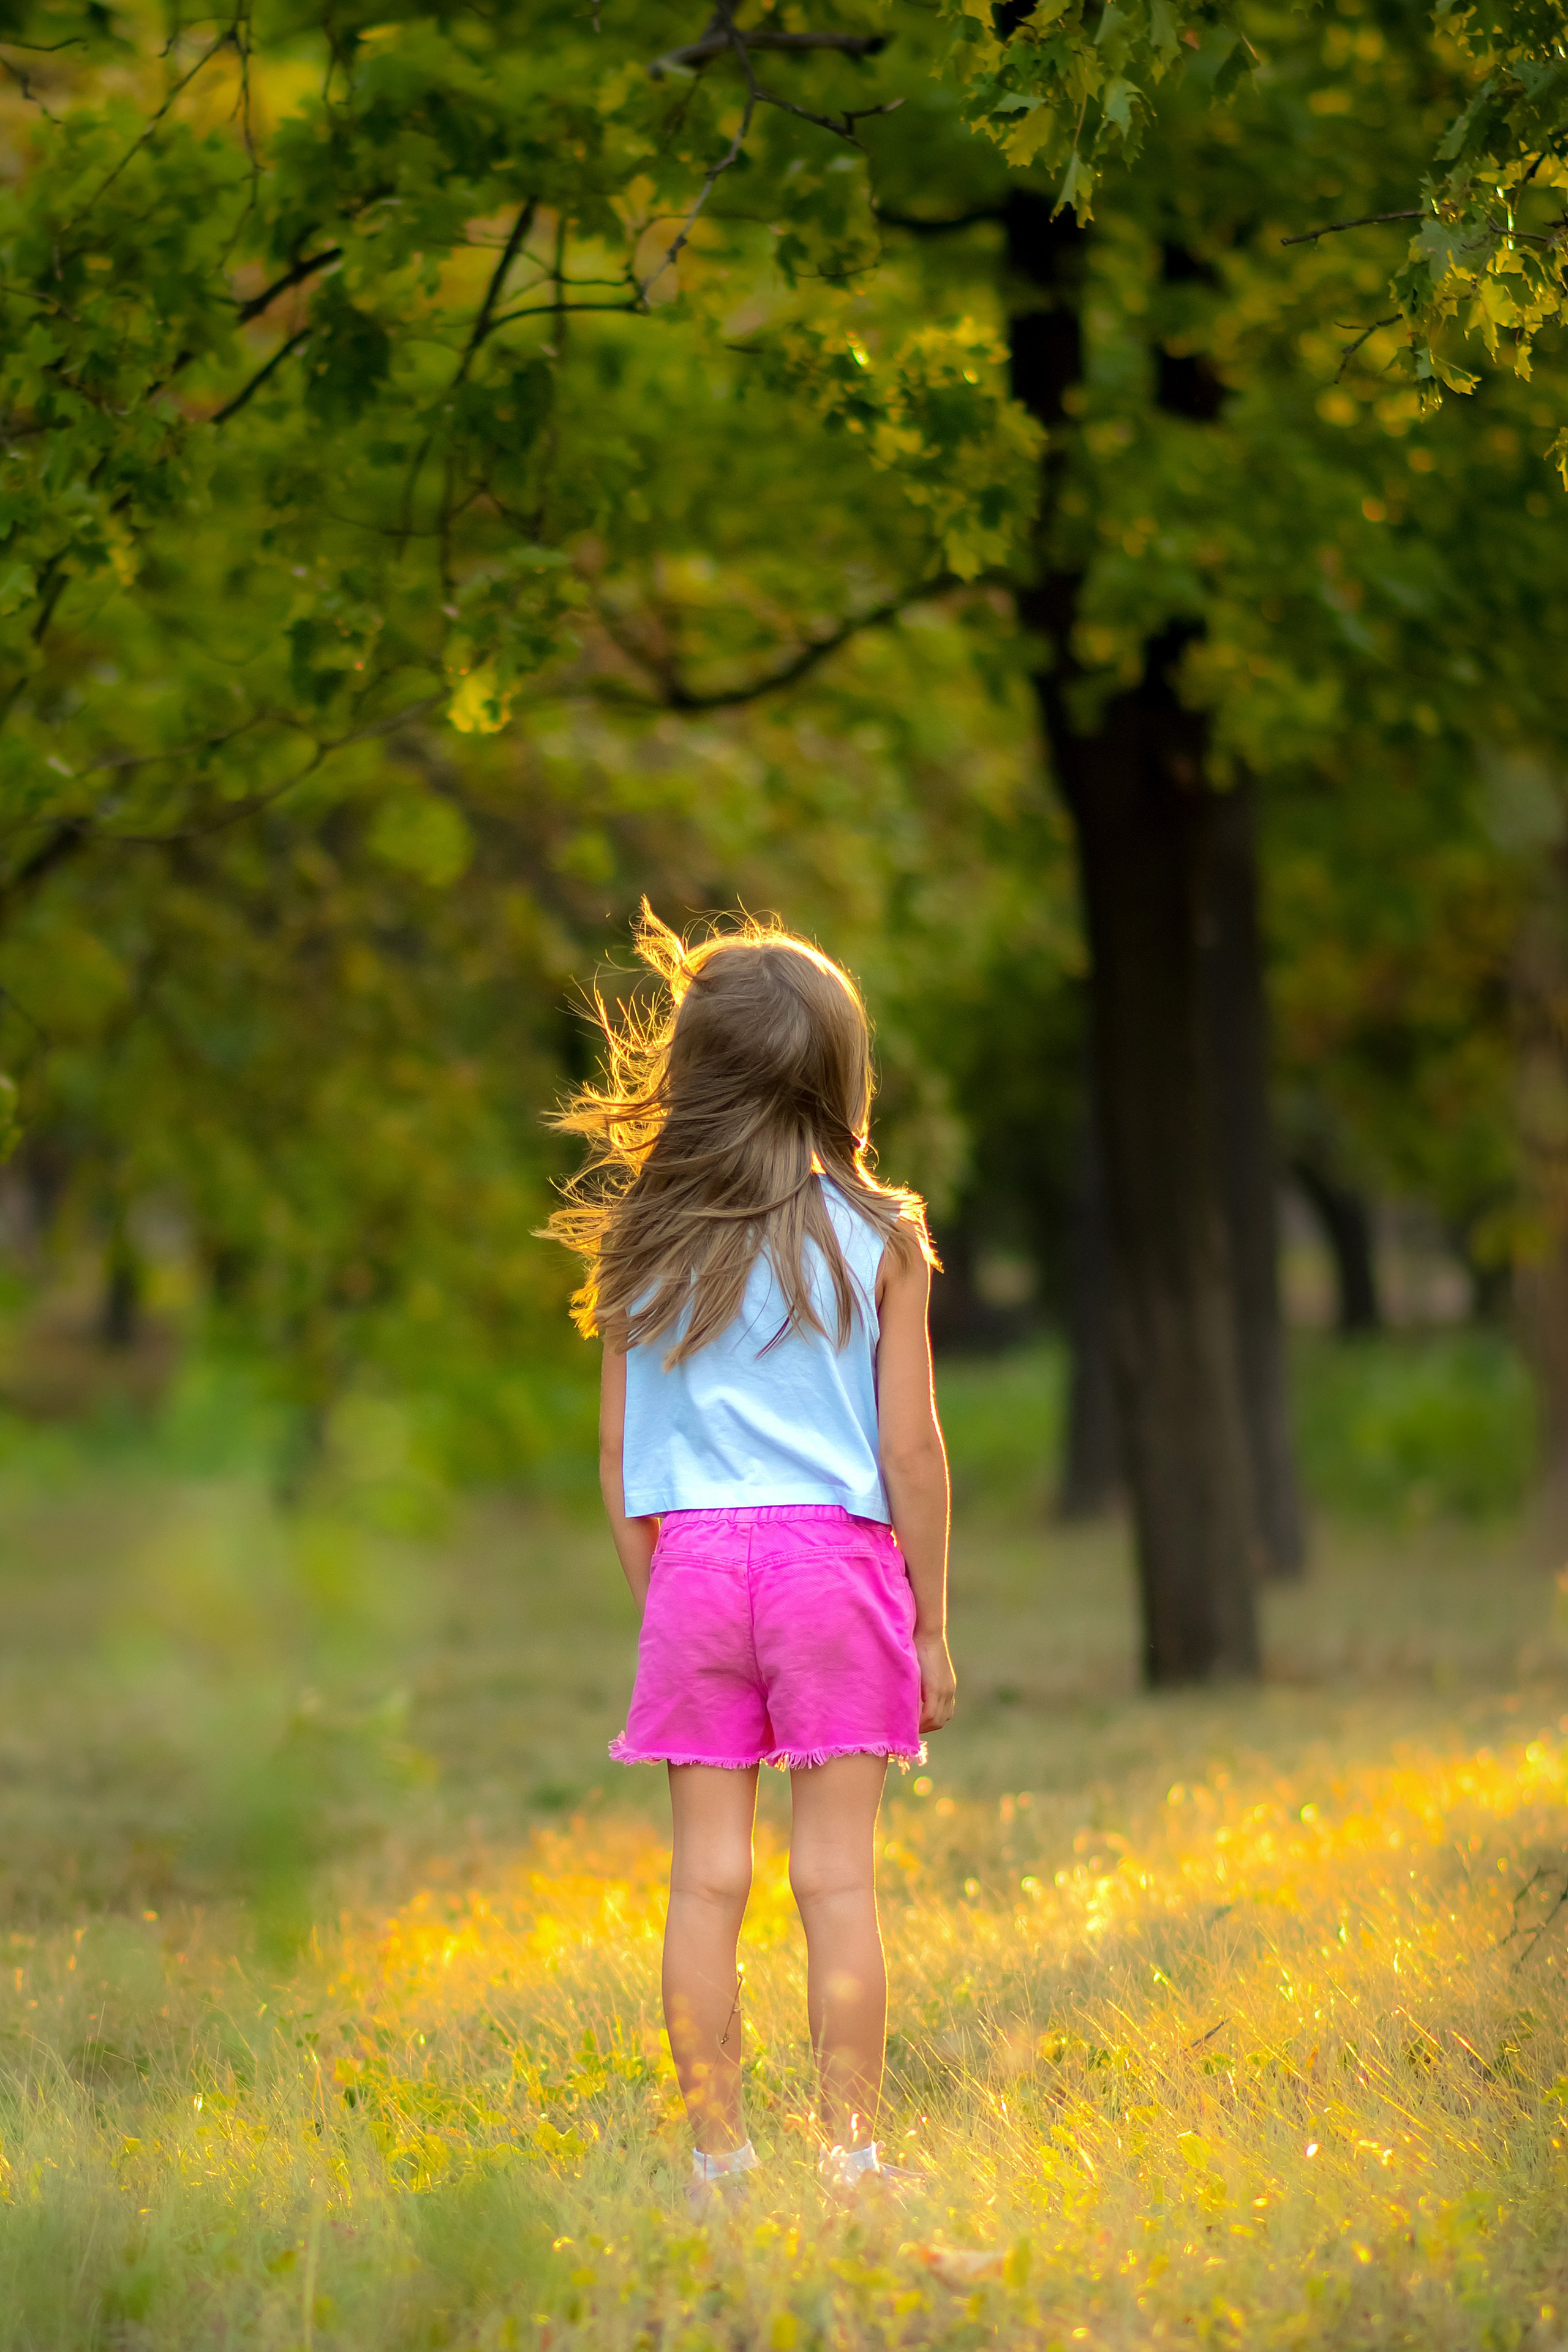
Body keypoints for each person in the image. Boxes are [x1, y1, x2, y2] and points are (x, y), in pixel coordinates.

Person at [545, 905, 956, 2208]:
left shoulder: (643, 1240)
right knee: (833, 1879)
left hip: (697, 1571)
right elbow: (913, 1457)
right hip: (832, 1569)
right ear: (840, 1075)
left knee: (705, 1881)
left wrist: (656, 1594)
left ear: (694, 1071)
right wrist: (930, 1623)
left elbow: (616, 1463)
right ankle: (849, 2160)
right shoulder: (881, 1234)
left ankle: (716, 2164)